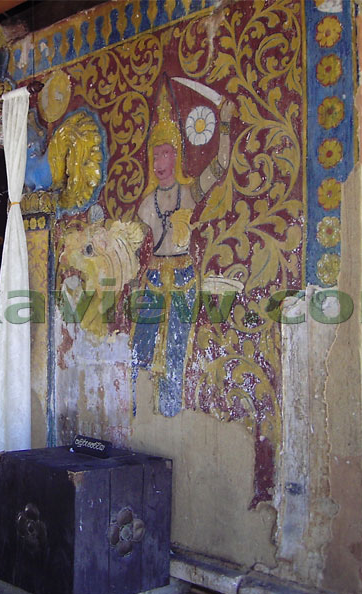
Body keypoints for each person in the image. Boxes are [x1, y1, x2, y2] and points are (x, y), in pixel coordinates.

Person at [132, 87, 234, 417]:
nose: (159, 162)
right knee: (141, 346)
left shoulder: (189, 193)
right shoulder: (146, 206)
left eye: (165, 154)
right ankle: (135, 410)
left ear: (176, 156)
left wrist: (226, 126)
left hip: (184, 277)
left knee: (177, 347)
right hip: (151, 278)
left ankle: (170, 412)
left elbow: (220, 166)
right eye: (155, 155)